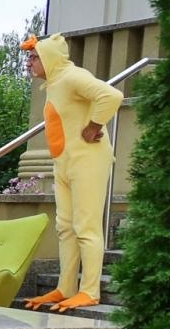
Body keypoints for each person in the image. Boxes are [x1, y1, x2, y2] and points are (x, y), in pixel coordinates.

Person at [20, 33, 127, 313]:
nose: (29, 63)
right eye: (29, 57)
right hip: (64, 163)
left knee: (86, 226)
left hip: (87, 160)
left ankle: (89, 291)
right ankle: (66, 287)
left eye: (34, 57)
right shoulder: (55, 82)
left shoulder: (72, 76)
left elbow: (112, 95)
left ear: (49, 58)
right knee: (65, 226)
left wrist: (94, 125)